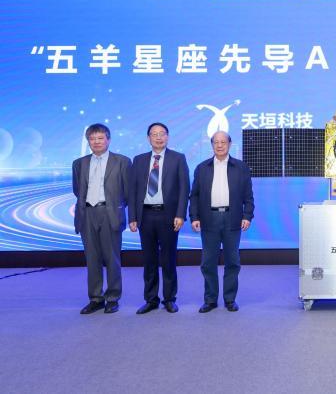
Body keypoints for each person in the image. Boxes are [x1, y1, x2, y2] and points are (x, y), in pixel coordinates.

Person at [128, 122, 190, 314]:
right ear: (148, 138)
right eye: (154, 134)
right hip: (145, 215)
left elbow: (184, 188)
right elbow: (132, 190)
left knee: (168, 259)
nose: (158, 137)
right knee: (149, 260)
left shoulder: (178, 158)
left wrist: (180, 214)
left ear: (167, 137)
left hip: (168, 215)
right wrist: (132, 216)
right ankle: (151, 299)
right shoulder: (139, 160)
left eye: (162, 133)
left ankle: (169, 299)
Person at [189, 131, 254, 313]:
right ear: (212, 145)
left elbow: (248, 196)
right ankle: (210, 299)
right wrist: (194, 217)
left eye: (223, 142)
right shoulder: (202, 168)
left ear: (229, 144)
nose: (219, 145)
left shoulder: (241, 167)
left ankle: (230, 299)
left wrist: (247, 216)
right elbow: (194, 196)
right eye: (216, 142)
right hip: (209, 219)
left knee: (232, 261)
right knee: (208, 262)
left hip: (233, 219)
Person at [72, 123, 131, 314]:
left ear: (108, 139)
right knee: (92, 258)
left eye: (100, 138)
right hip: (87, 214)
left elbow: (127, 191)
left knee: (112, 258)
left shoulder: (122, 161)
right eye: (92, 138)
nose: (96, 142)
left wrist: (115, 207)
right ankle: (96, 298)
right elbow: (77, 190)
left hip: (110, 213)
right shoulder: (79, 163)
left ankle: (112, 298)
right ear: (88, 141)